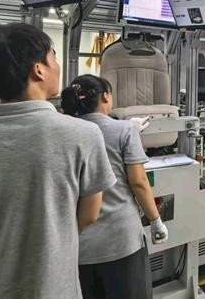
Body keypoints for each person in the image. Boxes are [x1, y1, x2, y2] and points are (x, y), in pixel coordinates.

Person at [0, 23, 116, 299]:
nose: (57, 66)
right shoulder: (82, 134)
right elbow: (88, 215)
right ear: (39, 69)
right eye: (54, 57)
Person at [61, 74, 169, 299]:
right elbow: (138, 182)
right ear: (105, 96)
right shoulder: (124, 130)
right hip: (121, 241)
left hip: (79, 245)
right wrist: (156, 221)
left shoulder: (64, 132)